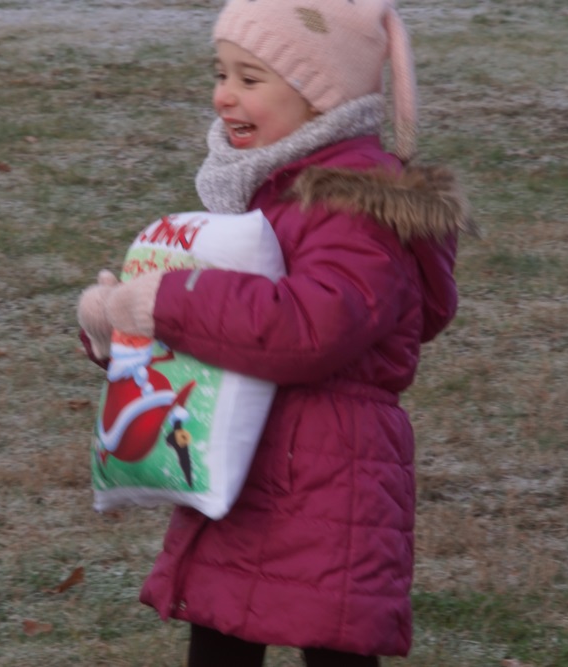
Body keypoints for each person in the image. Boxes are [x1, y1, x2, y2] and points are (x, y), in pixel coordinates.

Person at [77, 0, 474, 663]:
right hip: (248, 463)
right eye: (220, 73)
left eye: (249, 78)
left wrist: (166, 302)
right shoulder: (273, 193)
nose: (222, 95)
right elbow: (225, 333)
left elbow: (310, 326)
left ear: (320, 98)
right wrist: (119, 325)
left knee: (331, 641)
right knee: (222, 631)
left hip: (327, 479)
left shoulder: (353, 206)